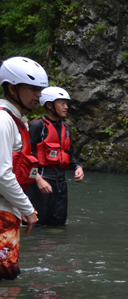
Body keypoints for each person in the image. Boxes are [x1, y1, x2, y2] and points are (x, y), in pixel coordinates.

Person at [0, 57, 47, 279]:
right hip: (2, 210)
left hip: (9, 208)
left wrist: (23, 207)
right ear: (11, 88)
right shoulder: (3, 120)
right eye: (33, 89)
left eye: (40, 89)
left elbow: (23, 164)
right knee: (6, 276)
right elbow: (2, 174)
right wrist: (28, 209)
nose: (39, 95)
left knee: (9, 274)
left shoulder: (20, 121)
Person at [26, 87, 84, 226]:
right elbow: (25, 157)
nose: (66, 107)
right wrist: (38, 179)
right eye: (62, 103)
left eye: (66, 103)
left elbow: (69, 155)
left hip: (60, 185)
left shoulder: (66, 129)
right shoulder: (37, 126)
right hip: (40, 184)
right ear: (49, 105)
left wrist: (77, 167)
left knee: (58, 226)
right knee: (38, 225)